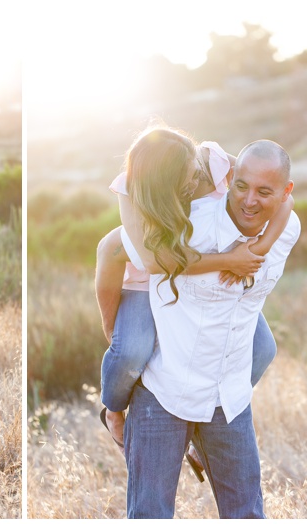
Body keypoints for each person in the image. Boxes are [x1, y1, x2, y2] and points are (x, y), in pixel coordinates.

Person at [97, 128, 293, 472]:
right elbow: (152, 261)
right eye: (185, 180)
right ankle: (113, 411)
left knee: (263, 349)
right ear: (162, 178)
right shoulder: (132, 187)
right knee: (130, 351)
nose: (194, 183)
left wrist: (255, 250)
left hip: (206, 285)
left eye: (196, 174)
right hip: (153, 280)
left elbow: (284, 200)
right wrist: (109, 325)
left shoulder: (212, 161)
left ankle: (206, 423)